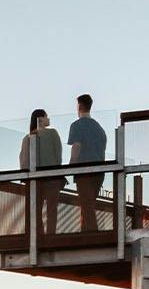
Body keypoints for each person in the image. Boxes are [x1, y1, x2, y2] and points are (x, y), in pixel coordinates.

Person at [69, 94, 109, 233]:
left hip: (83, 171)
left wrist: (70, 166)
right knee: (89, 204)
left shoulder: (77, 125)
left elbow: (76, 147)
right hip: (99, 173)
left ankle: (90, 233)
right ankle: (87, 231)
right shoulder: (99, 129)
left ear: (79, 106)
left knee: (86, 205)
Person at [18, 109, 62, 236]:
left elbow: (24, 161)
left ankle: (38, 235)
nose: (48, 118)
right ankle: (51, 235)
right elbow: (58, 157)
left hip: (34, 181)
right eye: (46, 116)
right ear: (41, 119)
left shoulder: (27, 138)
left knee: (35, 211)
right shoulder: (53, 133)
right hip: (52, 178)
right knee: (51, 211)